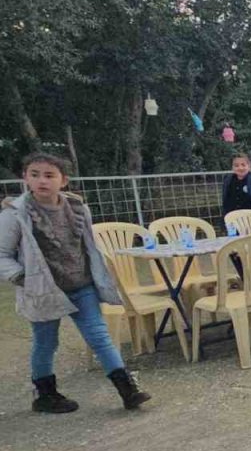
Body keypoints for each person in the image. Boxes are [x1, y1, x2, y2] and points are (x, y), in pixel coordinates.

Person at [0, 153, 151, 413]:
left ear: (64, 180)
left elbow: (87, 245)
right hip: (44, 291)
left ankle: (128, 390)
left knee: (99, 336)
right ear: (25, 178)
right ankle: (45, 394)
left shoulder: (78, 208)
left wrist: (98, 275)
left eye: (49, 175)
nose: (41, 181)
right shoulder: (15, 215)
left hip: (81, 286)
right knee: (46, 342)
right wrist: (24, 278)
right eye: (34, 175)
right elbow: (2, 254)